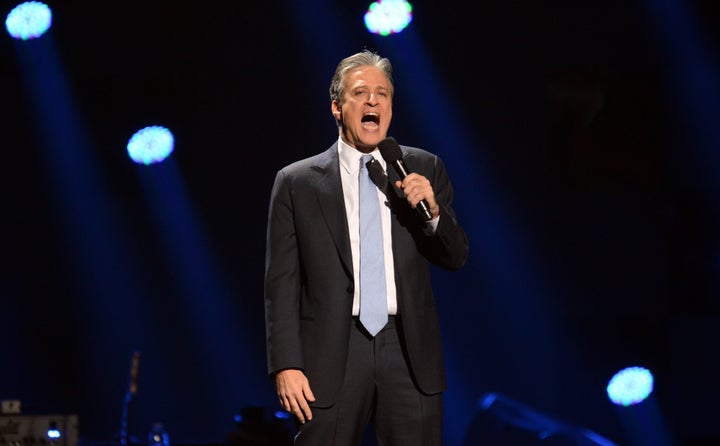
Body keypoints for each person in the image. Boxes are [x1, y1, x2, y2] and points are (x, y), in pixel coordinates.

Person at [264, 49, 469, 445]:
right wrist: (286, 365)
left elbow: (456, 256)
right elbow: (281, 284)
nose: (373, 100)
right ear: (337, 108)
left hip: (409, 352)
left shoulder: (422, 168)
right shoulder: (297, 182)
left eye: (383, 94)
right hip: (331, 351)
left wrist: (433, 214)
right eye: (361, 93)